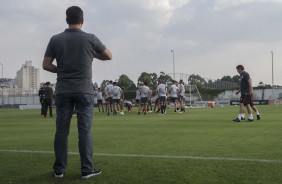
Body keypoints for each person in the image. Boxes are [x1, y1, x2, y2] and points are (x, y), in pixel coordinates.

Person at [42, 6, 112, 179]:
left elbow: (46, 65)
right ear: (82, 20)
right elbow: (109, 56)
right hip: (84, 91)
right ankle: (87, 169)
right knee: (85, 131)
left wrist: (63, 70)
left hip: (63, 90)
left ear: (66, 20)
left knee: (61, 131)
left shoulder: (55, 39)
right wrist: (92, 54)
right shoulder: (90, 38)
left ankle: (59, 170)